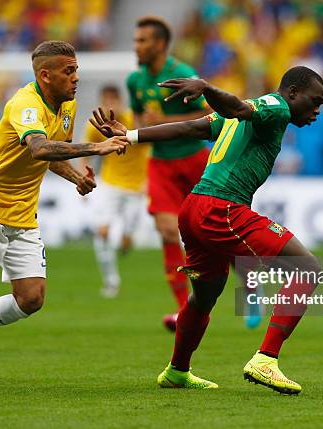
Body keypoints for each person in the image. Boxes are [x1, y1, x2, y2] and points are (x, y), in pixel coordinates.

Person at [91, 65, 323, 394]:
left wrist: (129, 136)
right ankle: (266, 360)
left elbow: (189, 128)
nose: (317, 111)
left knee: (204, 297)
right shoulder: (276, 107)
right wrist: (206, 87)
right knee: (307, 270)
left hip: (193, 209)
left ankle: (177, 371)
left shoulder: (248, 115)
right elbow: (237, 107)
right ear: (292, 93)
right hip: (222, 208)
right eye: (314, 102)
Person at [0, 40, 129, 389]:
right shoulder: (25, 103)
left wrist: (78, 177)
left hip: (23, 214)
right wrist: (97, 147)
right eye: (69, 71)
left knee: (31, 299)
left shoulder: (66, 106)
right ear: (44, 75)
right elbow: (38, 147)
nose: (76, 77)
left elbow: (52, 155)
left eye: (77, 69)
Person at [127, 16, 211, 331]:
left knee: (215, 231)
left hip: (194, 159)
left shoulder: (182, 74)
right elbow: (140, 116)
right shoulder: (135, 81)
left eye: (142, 41)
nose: (136, 46)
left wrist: (164, 120)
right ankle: (183, 310)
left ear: (160, 44)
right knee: (165, 231)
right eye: (136, 40)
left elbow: (209, 113)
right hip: (161, 163)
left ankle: (249, 285)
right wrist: (145, 125)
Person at [82, 85, 150, 298]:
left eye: (114, 100)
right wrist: (85, 175)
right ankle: (111, 281)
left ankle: (126, 239)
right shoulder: (96, 126)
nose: (111, 105)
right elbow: (87, 149)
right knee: (102, 232)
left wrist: (148, 180)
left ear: (121, 101)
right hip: (110, 184)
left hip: (135, 188)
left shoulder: (133, 120)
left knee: (126, 241)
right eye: (106, 100)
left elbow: (149, 149)